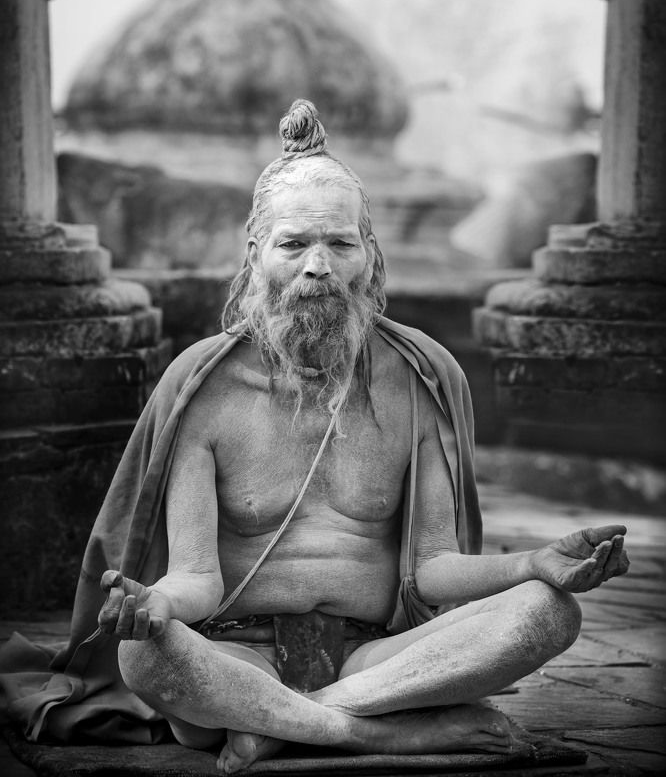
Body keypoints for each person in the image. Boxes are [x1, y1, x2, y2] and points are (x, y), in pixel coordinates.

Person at [0, 100, 628, 773]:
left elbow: (435, 568)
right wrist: (158, 604)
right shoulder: (203, 386)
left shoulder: (420, 376)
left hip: (374, 656)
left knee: (548, 613)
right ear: (256, 256)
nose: (318, 266)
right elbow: (197, 579)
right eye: (294, 244)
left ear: (370, 253)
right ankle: (370, 732)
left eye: (340, 243)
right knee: (143, 654)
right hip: (237, 655)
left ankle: (283, 725)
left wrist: (534, 564)